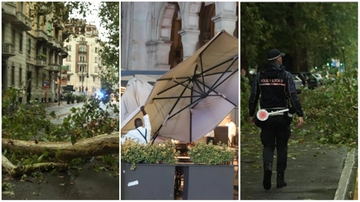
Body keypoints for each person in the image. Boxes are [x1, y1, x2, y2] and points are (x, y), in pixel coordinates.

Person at [248, 48, 304, 190]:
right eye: (281, 57)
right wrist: (300, 114)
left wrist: (251, 114)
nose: (282, 59)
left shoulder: (260, 76)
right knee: (282, 147)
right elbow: (293, 96)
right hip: (282, 116)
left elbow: (254, 96)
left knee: (268, 146)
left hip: (265, 117)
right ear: (278, 60)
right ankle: (280, 179)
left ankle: (267, 167)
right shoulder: (286, 76)